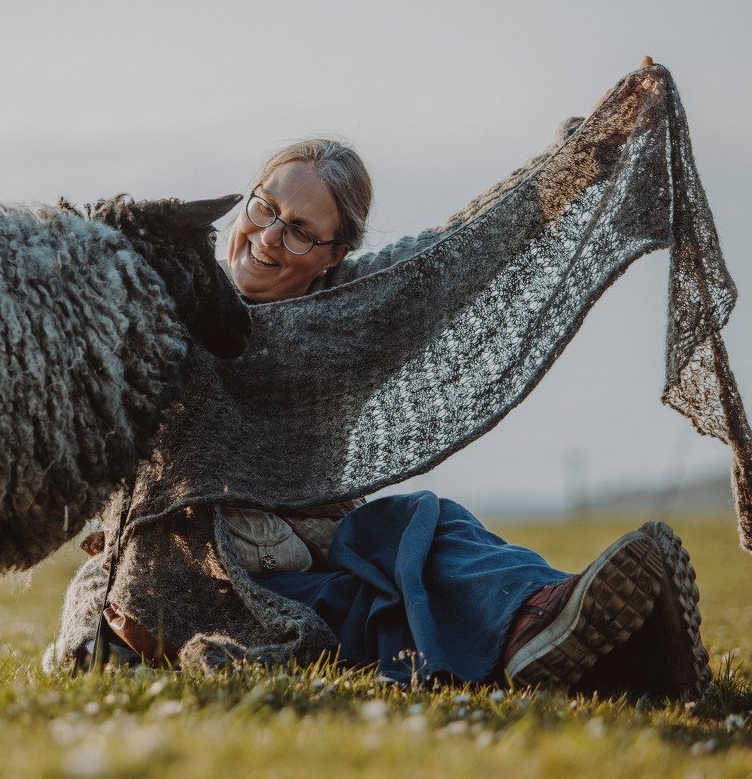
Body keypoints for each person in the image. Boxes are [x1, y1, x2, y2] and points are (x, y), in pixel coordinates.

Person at [100, 57, 710, 698]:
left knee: (421, 527)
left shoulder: (353, 307)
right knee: (376, 593)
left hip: (316, 550)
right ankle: (557, 639)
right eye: (266, 207)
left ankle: (551, 613)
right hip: (199, 567)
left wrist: (589, 148)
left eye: (302, 230)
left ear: (335, 254)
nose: (271, 236)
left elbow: (466, 245)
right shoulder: (166, 299)